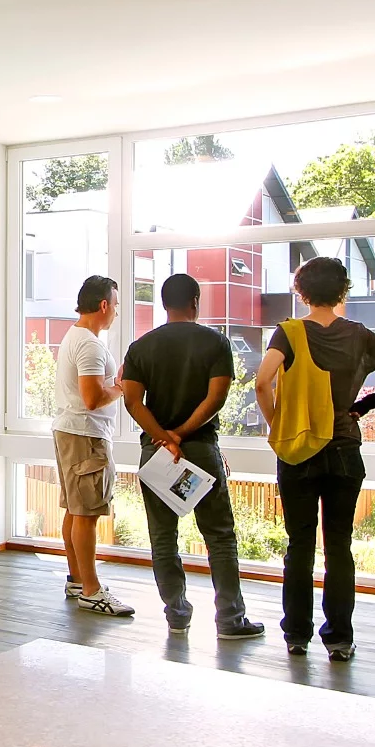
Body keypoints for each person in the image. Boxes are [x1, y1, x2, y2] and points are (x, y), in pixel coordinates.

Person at [255, 258, 375, 661]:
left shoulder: (288, 334)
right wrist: (364, 405)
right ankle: (340, 639)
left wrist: (278, 424)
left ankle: (296, 635)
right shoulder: (359, 335)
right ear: (342, 292)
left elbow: (262, 382)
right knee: (339, 547)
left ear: (302, 292)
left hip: (298, 452)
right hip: (345, 449)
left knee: (299, 544)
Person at [120, 274, 264, 640]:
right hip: (199, 447)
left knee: (163, 536)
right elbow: (216, 398)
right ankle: (230, 620)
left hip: (157, 454)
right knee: (219, 536)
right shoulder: (214, 342)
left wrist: (163, 438)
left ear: (164, 303)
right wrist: (182, 435)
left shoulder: (141, 346)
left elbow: (133, 401)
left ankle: (177, 615)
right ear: (195, 302)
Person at [51, 275, 136, 617]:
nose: (115, 312)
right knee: (85, 514)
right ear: (104, 305)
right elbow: (92, 398)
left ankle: (77, 579)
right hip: (85, 435)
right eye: (115, 305)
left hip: (70, 432)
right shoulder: (89, 344)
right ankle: (91, 589)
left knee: (75, 510)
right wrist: (121, 386)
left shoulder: (75, 336)